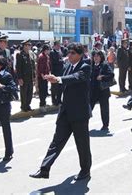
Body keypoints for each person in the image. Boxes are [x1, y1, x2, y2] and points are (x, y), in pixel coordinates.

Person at [30, 43, 92, 181]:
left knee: (82, 145)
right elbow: (63, 82)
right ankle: (44, 169)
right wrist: (54, 80)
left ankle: (85, 171)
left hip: (79, 114)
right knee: (56, 142)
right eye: (68, 52)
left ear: (80, 54)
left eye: (72, 53)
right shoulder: (68, 66)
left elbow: (76, 77)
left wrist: (58, 79)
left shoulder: (85, 66)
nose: (69, 55)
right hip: (65, 112)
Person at [90, 50, 114, 131]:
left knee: (104, 109)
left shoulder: (104, 65)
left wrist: (102, 77)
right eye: (94, 56)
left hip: (103, 91)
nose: (95, 58)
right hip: (93, 91)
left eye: (97, 56)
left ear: (101, 57)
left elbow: (111, 75)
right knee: (88, 108)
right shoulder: (91, 66)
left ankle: (105, 125)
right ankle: (82, 124)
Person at [16, 39, 36, 112]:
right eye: (27, 45)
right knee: (24, 93)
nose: (28, 46)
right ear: (24, 46)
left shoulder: (31, 54)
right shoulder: (20, 55)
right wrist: (19, 78)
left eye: (29, 45)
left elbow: (32, 66)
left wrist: (34, 77)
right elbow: (18, 67)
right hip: (24, 77)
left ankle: (28, 105)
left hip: (30, 77)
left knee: (30, 93)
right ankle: (23, 106)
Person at [50, 40, 64, 106]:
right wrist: (63, 60)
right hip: (55, 72)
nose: (59, 46)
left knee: (60, 87)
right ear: (55, 45)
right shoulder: (52, 52)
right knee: (54, 87)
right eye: (58, 45)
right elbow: (55, 61)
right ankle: (54, 100)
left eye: (60, 45)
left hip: (61, 72)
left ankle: (59, 100)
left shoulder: (60, 52)